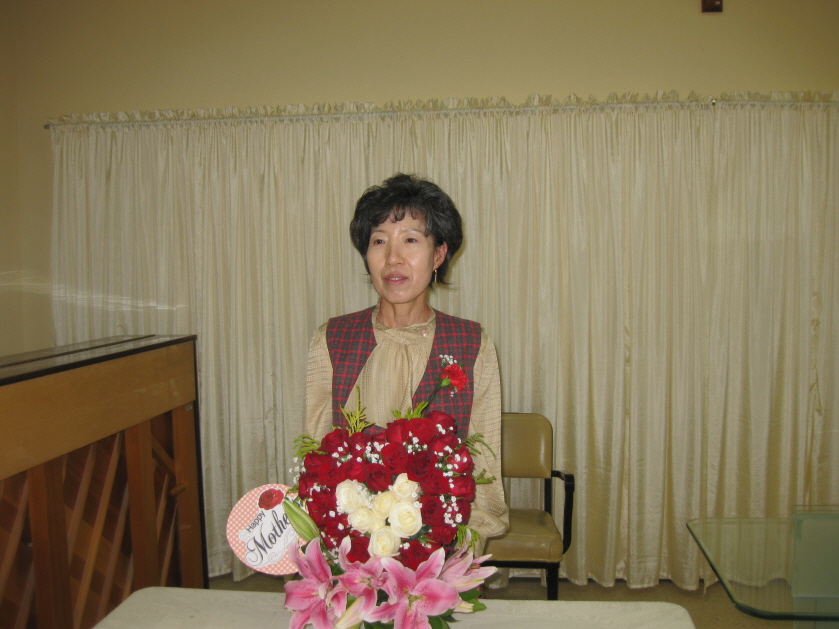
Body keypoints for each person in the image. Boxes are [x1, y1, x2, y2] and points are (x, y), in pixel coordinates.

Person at [304, 173, 508, 553]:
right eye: (379, 241)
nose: (392, 258)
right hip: (349, 551)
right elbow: (316, 458)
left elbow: (484, 471)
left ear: (439, 255)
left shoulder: (472, 345)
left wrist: (461, 554)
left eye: (410, 240)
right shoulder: (331, 341)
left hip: (441, 554)